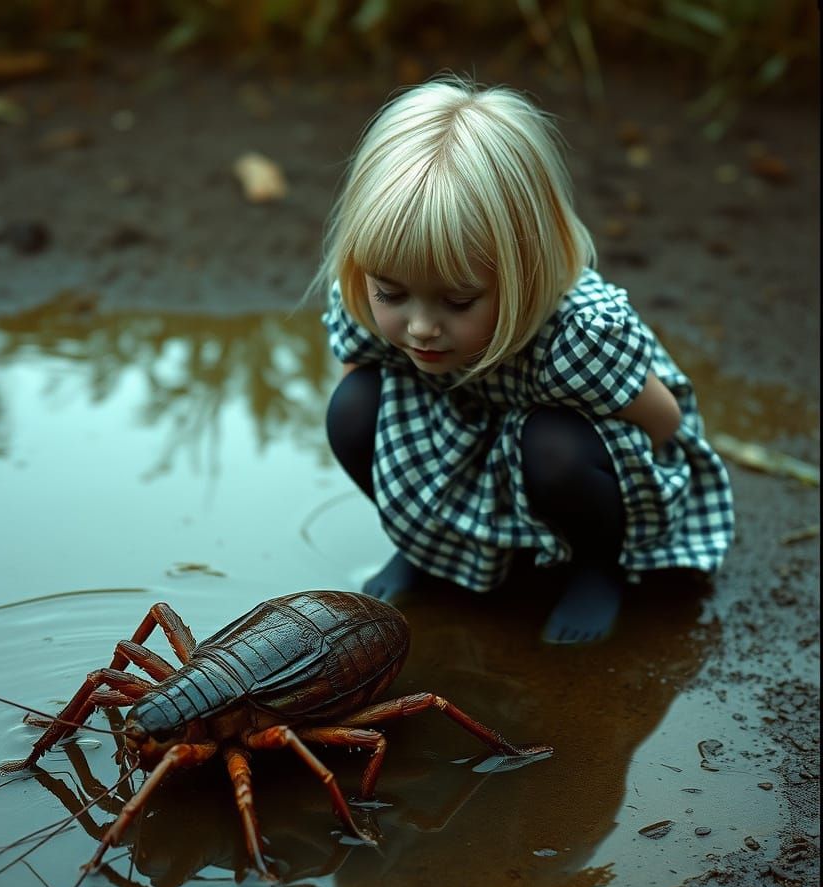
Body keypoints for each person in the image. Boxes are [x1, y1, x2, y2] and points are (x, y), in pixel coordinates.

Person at [313, 76, 734, 644]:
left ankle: (596, 567)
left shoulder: (576, 333)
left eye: (458, 301)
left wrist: (612, 482)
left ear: (522, 269)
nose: (420, 327)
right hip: (458, 439)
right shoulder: (370, 300)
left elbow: (665, 423)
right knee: (353, 409)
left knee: (553, 447)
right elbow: (357, 386)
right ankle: (425, 546)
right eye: (392, 294)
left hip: (569, 449)